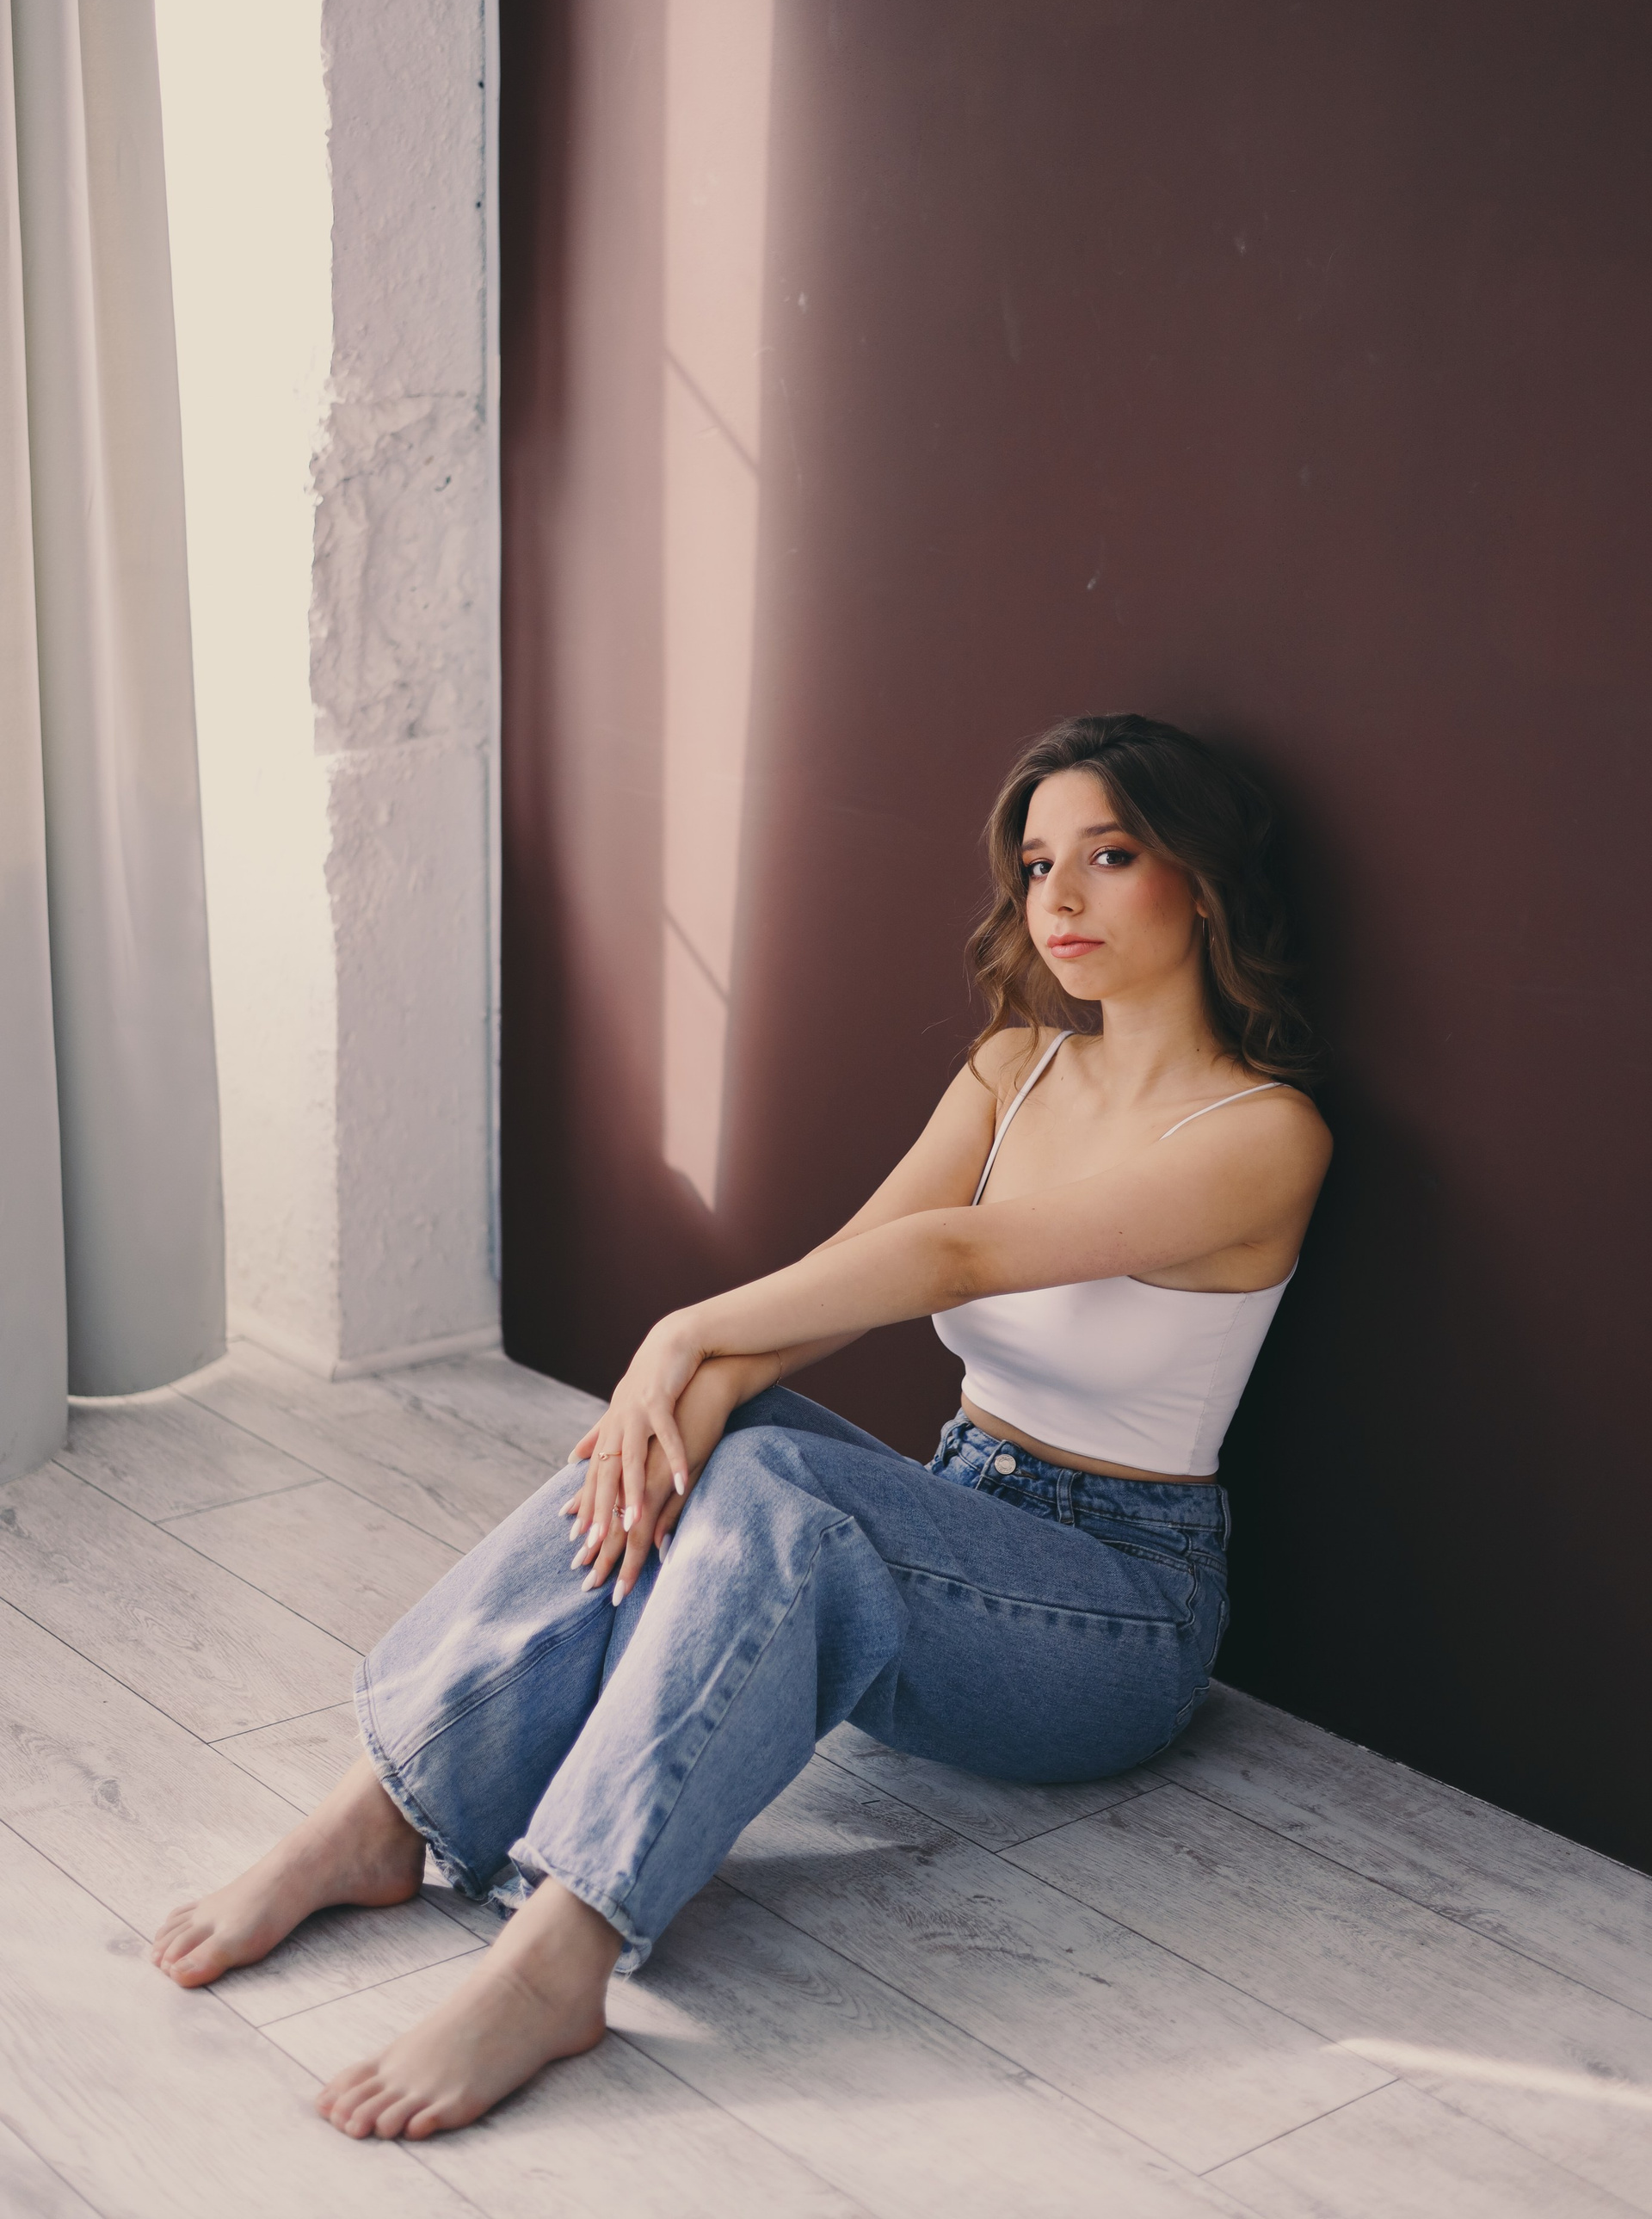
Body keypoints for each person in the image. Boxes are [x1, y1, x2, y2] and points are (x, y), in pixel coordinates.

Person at [151, 711, 1331, 2140]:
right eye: (1036, 865)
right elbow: (858, 1265)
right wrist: (704, 1385)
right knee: (725, 1432)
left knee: (772, 1481)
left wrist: (681, 1331)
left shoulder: (1264, 1135)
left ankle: (561, 1953)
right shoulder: (1013, 1068)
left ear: (1200, 882)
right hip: (955, 1522)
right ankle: (380, 1814)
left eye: (1111, 855)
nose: (1060, 897)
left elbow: (951, 1257)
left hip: (1117, 1617)